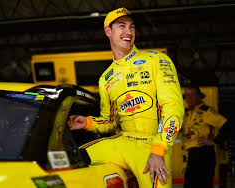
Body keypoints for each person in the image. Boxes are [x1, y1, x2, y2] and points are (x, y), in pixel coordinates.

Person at [68, 7, 184, 188]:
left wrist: (159, 150)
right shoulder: (106, 78)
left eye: (132, 27)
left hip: (152, 145)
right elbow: (111, 121)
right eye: (122, 26)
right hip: (122, 142)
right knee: (72, 159)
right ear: (108, 31)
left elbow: (173, 107)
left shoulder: (157, 60)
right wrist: (88, 123)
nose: (128, 32)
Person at [182, 86, 228, 188]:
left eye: (192, 95)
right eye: (187, 96)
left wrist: (214, 141)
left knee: (204, 185)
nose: (188, 98)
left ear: (199, 96)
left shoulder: (206, 111)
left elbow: (226, 125)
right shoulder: (186, 113)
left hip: (204, 154)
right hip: (192, 154)